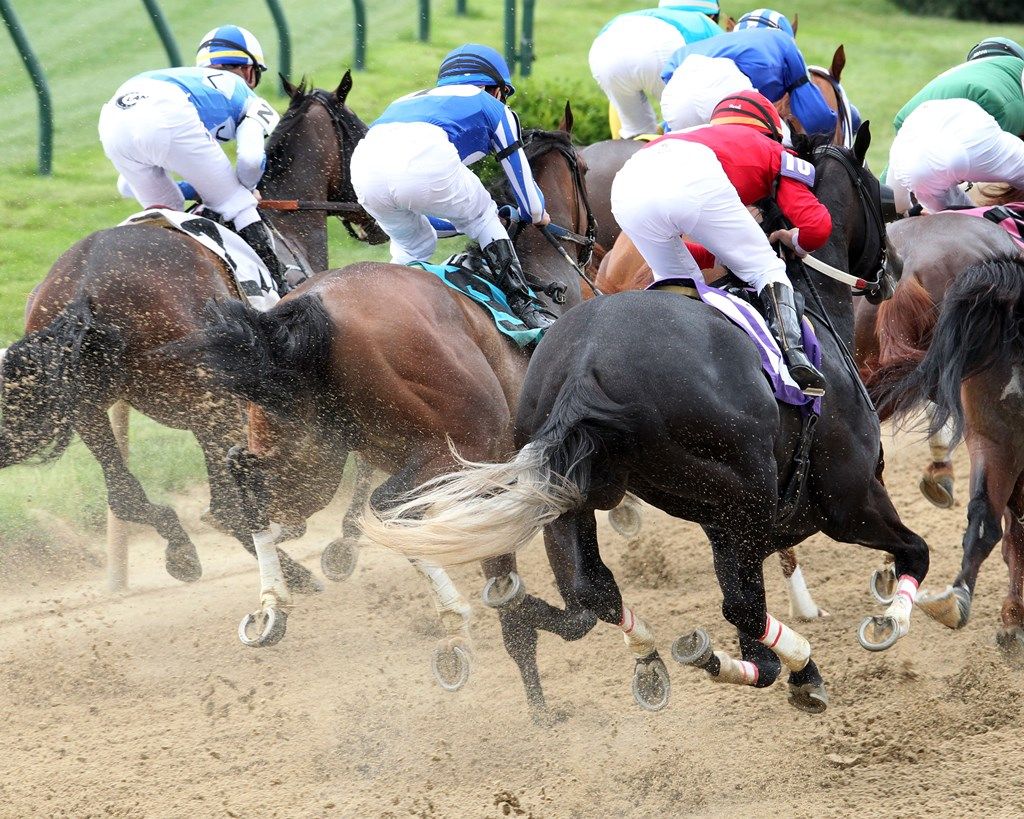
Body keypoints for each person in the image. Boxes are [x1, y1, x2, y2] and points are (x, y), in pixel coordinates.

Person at [611, 91, 831, 395]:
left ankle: (667, 368)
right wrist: (794, 240)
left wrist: (721, 254)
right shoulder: (774, 149)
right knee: (766, 268)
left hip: (627, 184)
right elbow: (818, 227)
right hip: (694, 179)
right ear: (772, 132)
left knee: (679, 283)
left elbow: (687, 245)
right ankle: (795, 359)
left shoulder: (695, 135)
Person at [350, 43, 552, 330]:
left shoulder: (404, 101)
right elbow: (531, 205)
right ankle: (526, 307)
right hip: (422, 162)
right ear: (495, 89)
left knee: (416, 243)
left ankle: (387, 310)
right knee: (483, 214)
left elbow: (424, 211)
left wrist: (469, 222)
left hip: (363, 169)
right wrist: (534, 214)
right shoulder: (494, 107)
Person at [98, 25, 287, 289]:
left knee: (167, 207)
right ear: (248, 71)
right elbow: (251, 161)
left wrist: (197, 189)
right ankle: (279, 289)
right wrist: (246, 189)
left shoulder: (187, 82)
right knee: (238, 203)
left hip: (111, 121)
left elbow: (125, 186)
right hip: (167, 114)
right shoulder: (247, 96)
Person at [886, 37, 1024, 214]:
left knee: (962, 218)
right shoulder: (1012, 73)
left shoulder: (947, 80)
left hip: (911, 163)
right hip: (972, 140)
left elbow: (891, 196)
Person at [660, 18, 836, 138]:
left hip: (676, 88)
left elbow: (670, 78)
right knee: (783, 145)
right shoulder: (785, 42)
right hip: (723, 87)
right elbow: (816, 119)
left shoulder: (718, 42)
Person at [588, 0, 724, 139]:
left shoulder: (647, 15)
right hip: (660, 53)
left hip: (603, 51)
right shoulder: (703, 21)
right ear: (712, 16)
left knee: (636, 131)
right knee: (688, 127)